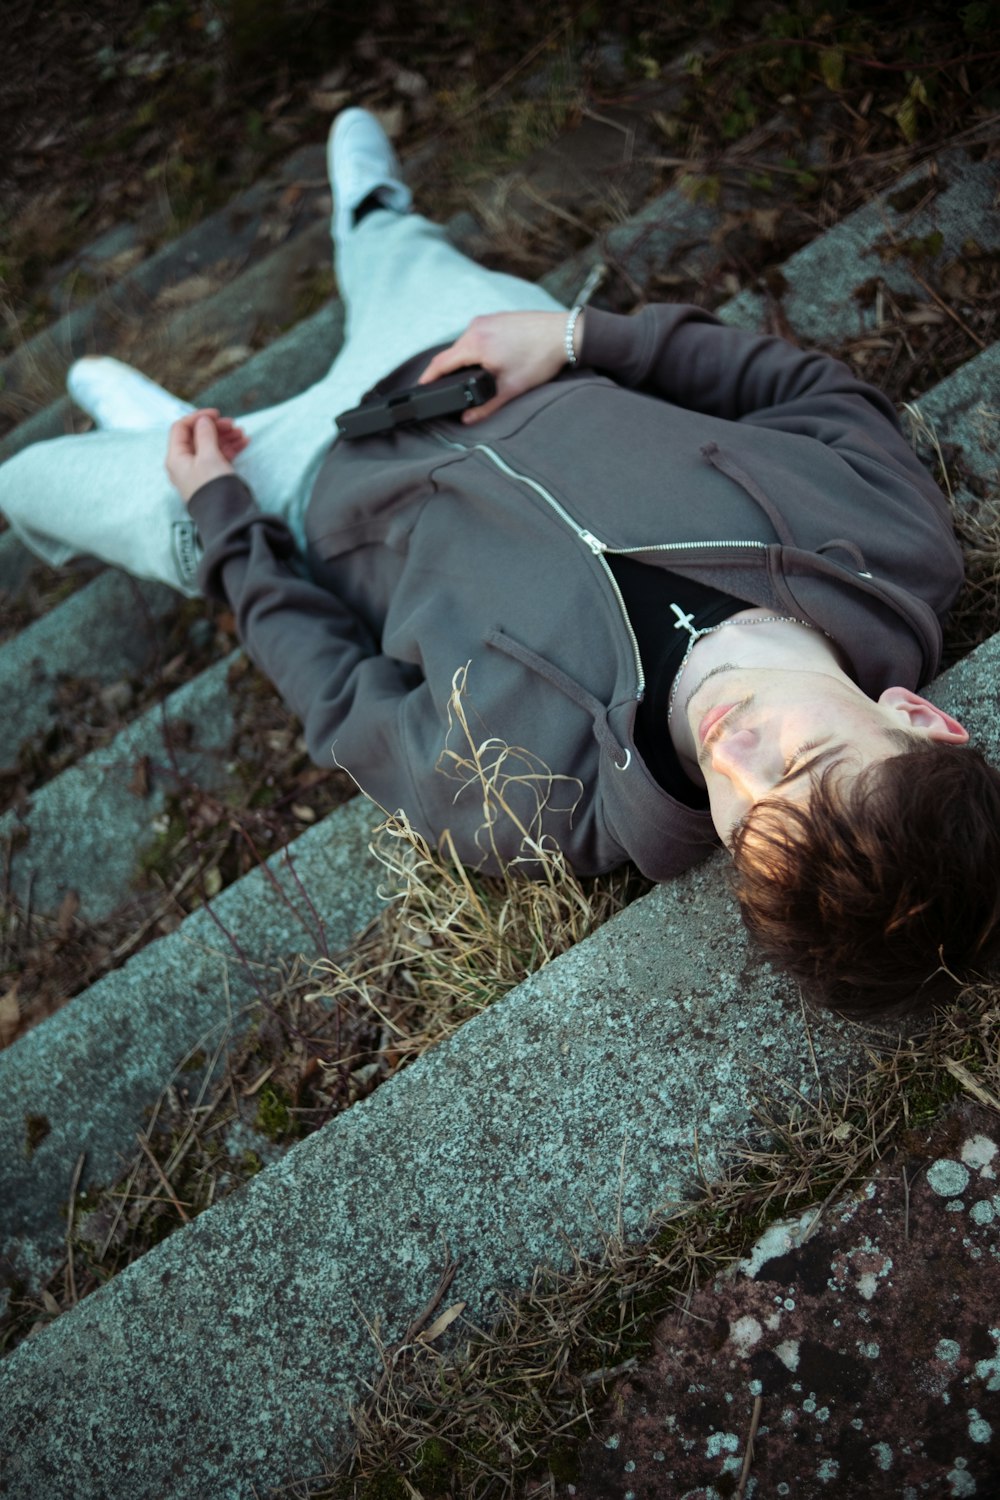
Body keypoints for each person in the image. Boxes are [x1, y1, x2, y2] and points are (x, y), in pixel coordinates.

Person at [2, 109, 999, 1018]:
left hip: (296, 490)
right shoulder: (888, 546)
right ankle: (371, 212)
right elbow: (807, 391)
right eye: (801, 760)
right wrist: (576, 335)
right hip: (470, 356)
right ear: (916, 716)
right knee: (394, 245)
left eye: (747, 821)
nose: (734, 760)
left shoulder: (542, 801)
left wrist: (223, 524)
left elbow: (343, 703)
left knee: (28, 480)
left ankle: (162, 437)